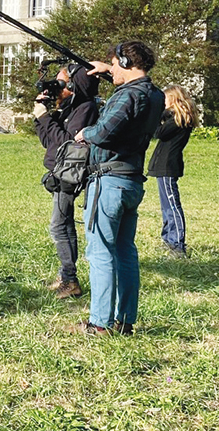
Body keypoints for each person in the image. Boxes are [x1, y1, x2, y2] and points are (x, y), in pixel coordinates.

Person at [71, 41, 165, 337]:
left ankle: (100, 324)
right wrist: (105, 71)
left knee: (100, 252)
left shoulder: (127, 96)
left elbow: (105, 132)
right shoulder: (155, 95)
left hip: (108, 182)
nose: (110, 70)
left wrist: (86, 132)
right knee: (125, 252)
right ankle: (124, 321)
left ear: (125, 62)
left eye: (114, 64)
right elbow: (131, 103)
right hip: (132, 181)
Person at [33, 64, 100, 299]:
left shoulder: (85, 108)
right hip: (60, 171)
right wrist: (42, 116)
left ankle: (70, 281)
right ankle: (66, 275)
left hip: (69, 172)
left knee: (59, 225)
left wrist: (46, 119)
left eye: (61, 82)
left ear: (73, 85)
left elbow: (68, 145)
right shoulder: (71, 108)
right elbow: (49, 141)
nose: (57, 86)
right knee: (63, 223)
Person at [147, 85, 198, 257]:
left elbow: (158, 132)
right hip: (164, 166)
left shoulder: (179, 120)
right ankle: (169, 240)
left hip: (168, 166)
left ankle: (177, 243)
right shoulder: (174, 118)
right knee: (166, 207)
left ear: (174, 99)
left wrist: (155, 114)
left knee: (172, 206)